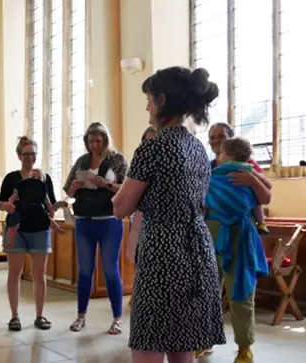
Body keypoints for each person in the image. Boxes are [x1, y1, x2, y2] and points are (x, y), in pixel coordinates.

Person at [113, 67, 226, 363]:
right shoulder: (198, 148)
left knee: (149, 341)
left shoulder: (153, 148)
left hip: (163, 250)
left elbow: (121, 207)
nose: (146, 106)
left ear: (161, 100)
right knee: (182, 343)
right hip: (196, 249)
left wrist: (114, 194)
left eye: (149, 98)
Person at [199, 136, 272, 363]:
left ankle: (244, 346)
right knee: (208, 290)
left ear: (226, 155)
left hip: (237, 236)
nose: (218, 156)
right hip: (213, 235)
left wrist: (251, 181)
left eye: (220, 151)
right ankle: (205, 340)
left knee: (240, 290)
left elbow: (266, 195)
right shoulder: (214, 173)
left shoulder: (244, 174)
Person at [63, 122, 128, 335]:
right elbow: (69, 190)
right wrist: (74, 188)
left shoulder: (116, 160)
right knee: (84, 270)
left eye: (98, 141)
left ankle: (117, 319)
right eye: (90, 141)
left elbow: (127, 188)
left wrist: (106, 185)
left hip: (109, 219)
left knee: (110, 270)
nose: (94, 145)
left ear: (105, 140)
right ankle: (80, 316)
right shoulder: (82, 161)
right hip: (84, 219)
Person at [0, 136, 63, 331]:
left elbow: (50, 208)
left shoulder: (44, 178)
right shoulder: (12, 178)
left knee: (39, 274)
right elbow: (0, 202)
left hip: (39, 229)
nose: (30, 157)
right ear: (19, 155)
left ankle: (40, 316)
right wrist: (8, 206)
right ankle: (14, 316)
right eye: (26, 154)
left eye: (33, 154)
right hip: (16, 229)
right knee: (14, 273)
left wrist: (58, 206)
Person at [208, 122, 272, 235]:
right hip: (214, 226)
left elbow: (266, 197)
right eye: (212, 137)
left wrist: (253, 181)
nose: (216, 140)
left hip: (242, 228)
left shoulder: (246, 164)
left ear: (230, 138)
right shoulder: (207, 167)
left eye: (221, 136)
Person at [126, 126, 157, 307]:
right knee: (138, 254)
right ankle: (138, 291)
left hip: (161, 223)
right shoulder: (138, 165)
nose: (150, 145)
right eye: (147, 141)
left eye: (154, 141)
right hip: (140, 217)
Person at [5, 168, 62, 246]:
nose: (35, 180)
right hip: (22, 210)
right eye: (32, 177)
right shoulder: (22, 188)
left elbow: (49, 206)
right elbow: (12, 198)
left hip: (38, 211)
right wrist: (10, 206)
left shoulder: (42, 191)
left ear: (43, 181)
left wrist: (51, 214)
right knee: (14, 223)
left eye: (39, 178)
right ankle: (10, 241)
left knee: (49, 220)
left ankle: (57, 229)